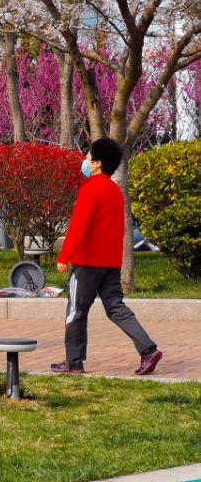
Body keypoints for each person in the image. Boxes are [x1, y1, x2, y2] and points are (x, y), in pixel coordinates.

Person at [51, 138, 163, 376]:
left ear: (98, 163)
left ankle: (74, 362)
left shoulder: (90, 189)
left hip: (86, 263)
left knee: (76, 311)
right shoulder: (115, 191)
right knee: (116, 308)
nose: (86, 160)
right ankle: (148, 350)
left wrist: (64, 256)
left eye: (89, 157)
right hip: (111, 263)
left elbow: (79, 227)